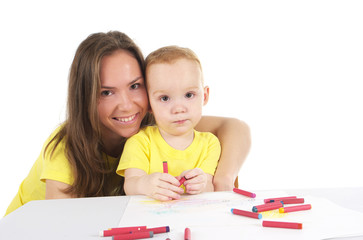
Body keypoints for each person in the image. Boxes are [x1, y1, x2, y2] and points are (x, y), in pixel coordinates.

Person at [4, 31, 251, 216]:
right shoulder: (67, 148)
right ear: (86, 97)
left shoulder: (156, 122)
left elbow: (235, 128)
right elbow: (61, 226)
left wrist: (221, 181)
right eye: (106, 92)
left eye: (135, 86)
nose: (127, 105)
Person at [117, 46, 221, 201]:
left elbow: (210, 186)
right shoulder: (140, 142)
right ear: (149, 104)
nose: (179, 108)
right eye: (165, 98)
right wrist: (145, 184)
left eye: (189, 95)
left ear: (204, 96)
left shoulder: (210, 144)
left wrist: (202, 183)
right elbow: (130, 185)